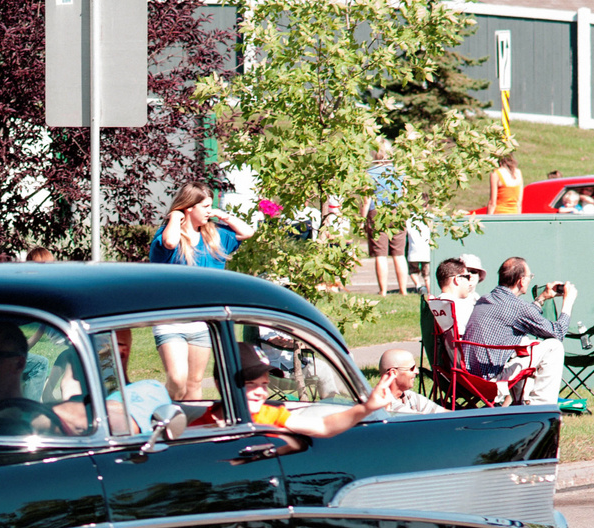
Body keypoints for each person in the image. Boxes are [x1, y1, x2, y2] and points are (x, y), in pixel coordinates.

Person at [149, 183, 254, 400]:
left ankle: (192, 429)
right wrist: (175, 218)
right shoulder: (169, 236)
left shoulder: (215, 236)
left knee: (195, 382)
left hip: (203, 321)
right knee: (177, 380)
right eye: (205, 206)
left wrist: (222, 215)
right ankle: (163, 415)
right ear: (189, 207)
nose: (209, 211)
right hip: (171, 320)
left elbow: (247, 232)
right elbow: (169, 242)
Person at [461, 256, 570, 405]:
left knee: (524, 345)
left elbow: (519, 314)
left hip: (468, 376)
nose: (530, 279)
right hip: (490, 379)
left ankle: (520, 403)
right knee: (553, 347)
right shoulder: (517, 307)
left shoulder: (485, 299)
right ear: (521, 280)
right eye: (529, 276)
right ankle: (541, 406)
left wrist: (542, 298)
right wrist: (568, 303)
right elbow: (558, 333)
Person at [241, 352, 392, 437]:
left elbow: (324, 426)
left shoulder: (269, 415)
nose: (260, 392)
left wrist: (367, 407)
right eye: (251, 384)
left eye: (264, 384)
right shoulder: (216, 417)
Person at [361, 147, 410, 294]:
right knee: (399, 254)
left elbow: (366, 199)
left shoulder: (369, 173)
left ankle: (383, 291)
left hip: (377, 212)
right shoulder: (399, 172)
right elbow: (404, 195)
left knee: (380, 254)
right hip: (397, 211)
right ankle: (403, 290)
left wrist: (362, 220)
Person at [378, 347, 443, 414]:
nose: (417, 372)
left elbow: (445, 414)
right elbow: (418, 419)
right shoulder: (383, 402)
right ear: (393, 373)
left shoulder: (408, 395)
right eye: (412, 368)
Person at [432, 256, 478, 334]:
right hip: (464, 345)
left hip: (443, 346)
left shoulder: (434, 304)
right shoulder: (462, 306)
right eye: (468, 277)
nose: (469, 283)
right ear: (457, 279)